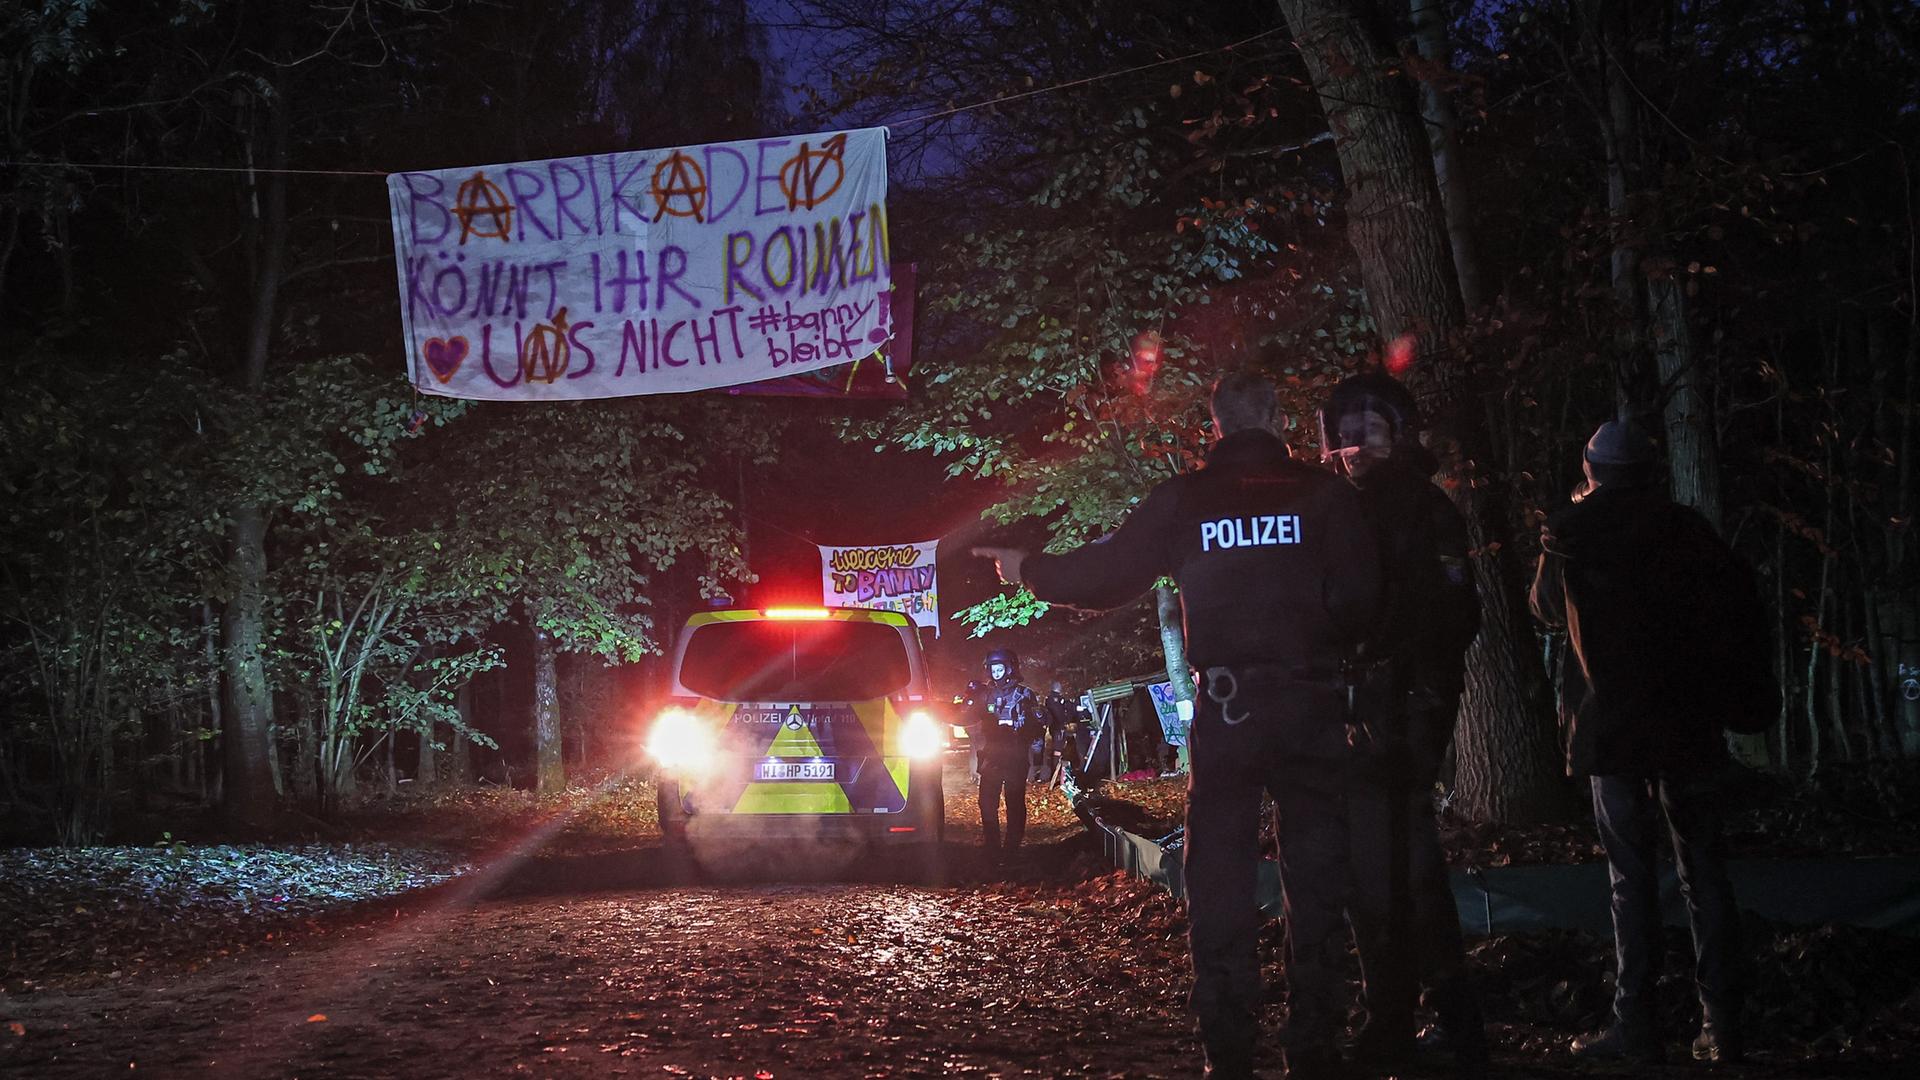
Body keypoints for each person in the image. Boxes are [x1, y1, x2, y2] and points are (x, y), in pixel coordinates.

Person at [974, 369, 1383, 1080]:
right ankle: (1314, 1037)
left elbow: (1106, 574)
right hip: (1314, 707)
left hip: (1227, 711)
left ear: (1217, 425)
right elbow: (1362, 597)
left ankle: (1228, 1045)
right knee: (1317, 877)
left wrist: (1028, 569)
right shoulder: (1325, 498)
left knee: (1218, 875)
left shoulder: (1187, 501)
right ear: (1278, 417)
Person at [1530, 419, 1772, 1066]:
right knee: (1704, 874)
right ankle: (1723, 1025)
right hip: (1687, 726)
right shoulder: (1689, 532)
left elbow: (1543, 607)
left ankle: (1635, 1023)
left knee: (1628, 879)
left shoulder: (1571, 533)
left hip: (1611, 731)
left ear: (1591, 470)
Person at [1317, 373, 1487, 1077]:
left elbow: (1455, 616)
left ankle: (1410, 1018)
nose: (1357, 446)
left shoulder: (1423, 512)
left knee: (1401, 863)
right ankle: (1420, 1015)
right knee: (1384, 864)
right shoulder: (1336, 509)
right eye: (1347, 434)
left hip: (1403, 711)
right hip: (1367, 708)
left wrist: (1405, 687)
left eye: (1372, 432)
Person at [968, 648, 1044, 858]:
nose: (996, 673)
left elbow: (1037, 728)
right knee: (986, 802)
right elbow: (968, 719)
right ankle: (992, 844)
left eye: (1000, 668)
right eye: (993, 668)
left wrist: (1037, 759)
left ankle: (1012, 846)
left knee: (1014, 801)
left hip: (1015, 757)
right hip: (991, 757)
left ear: (1010, 668)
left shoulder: (1025, 695)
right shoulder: (985, 694)